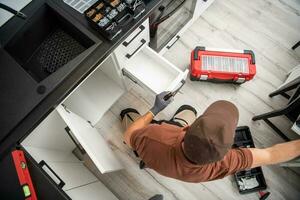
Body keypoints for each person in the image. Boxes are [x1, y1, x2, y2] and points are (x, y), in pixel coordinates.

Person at [121, 92, 300, 183]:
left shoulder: (155, 136)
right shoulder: (226, 163)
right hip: (164, 165)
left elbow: (128, 137)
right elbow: (271, 155)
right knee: (188, 110)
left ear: (187, 128)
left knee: (129, 114)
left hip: (153, 149)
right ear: (227, 151)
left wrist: (155, 109)